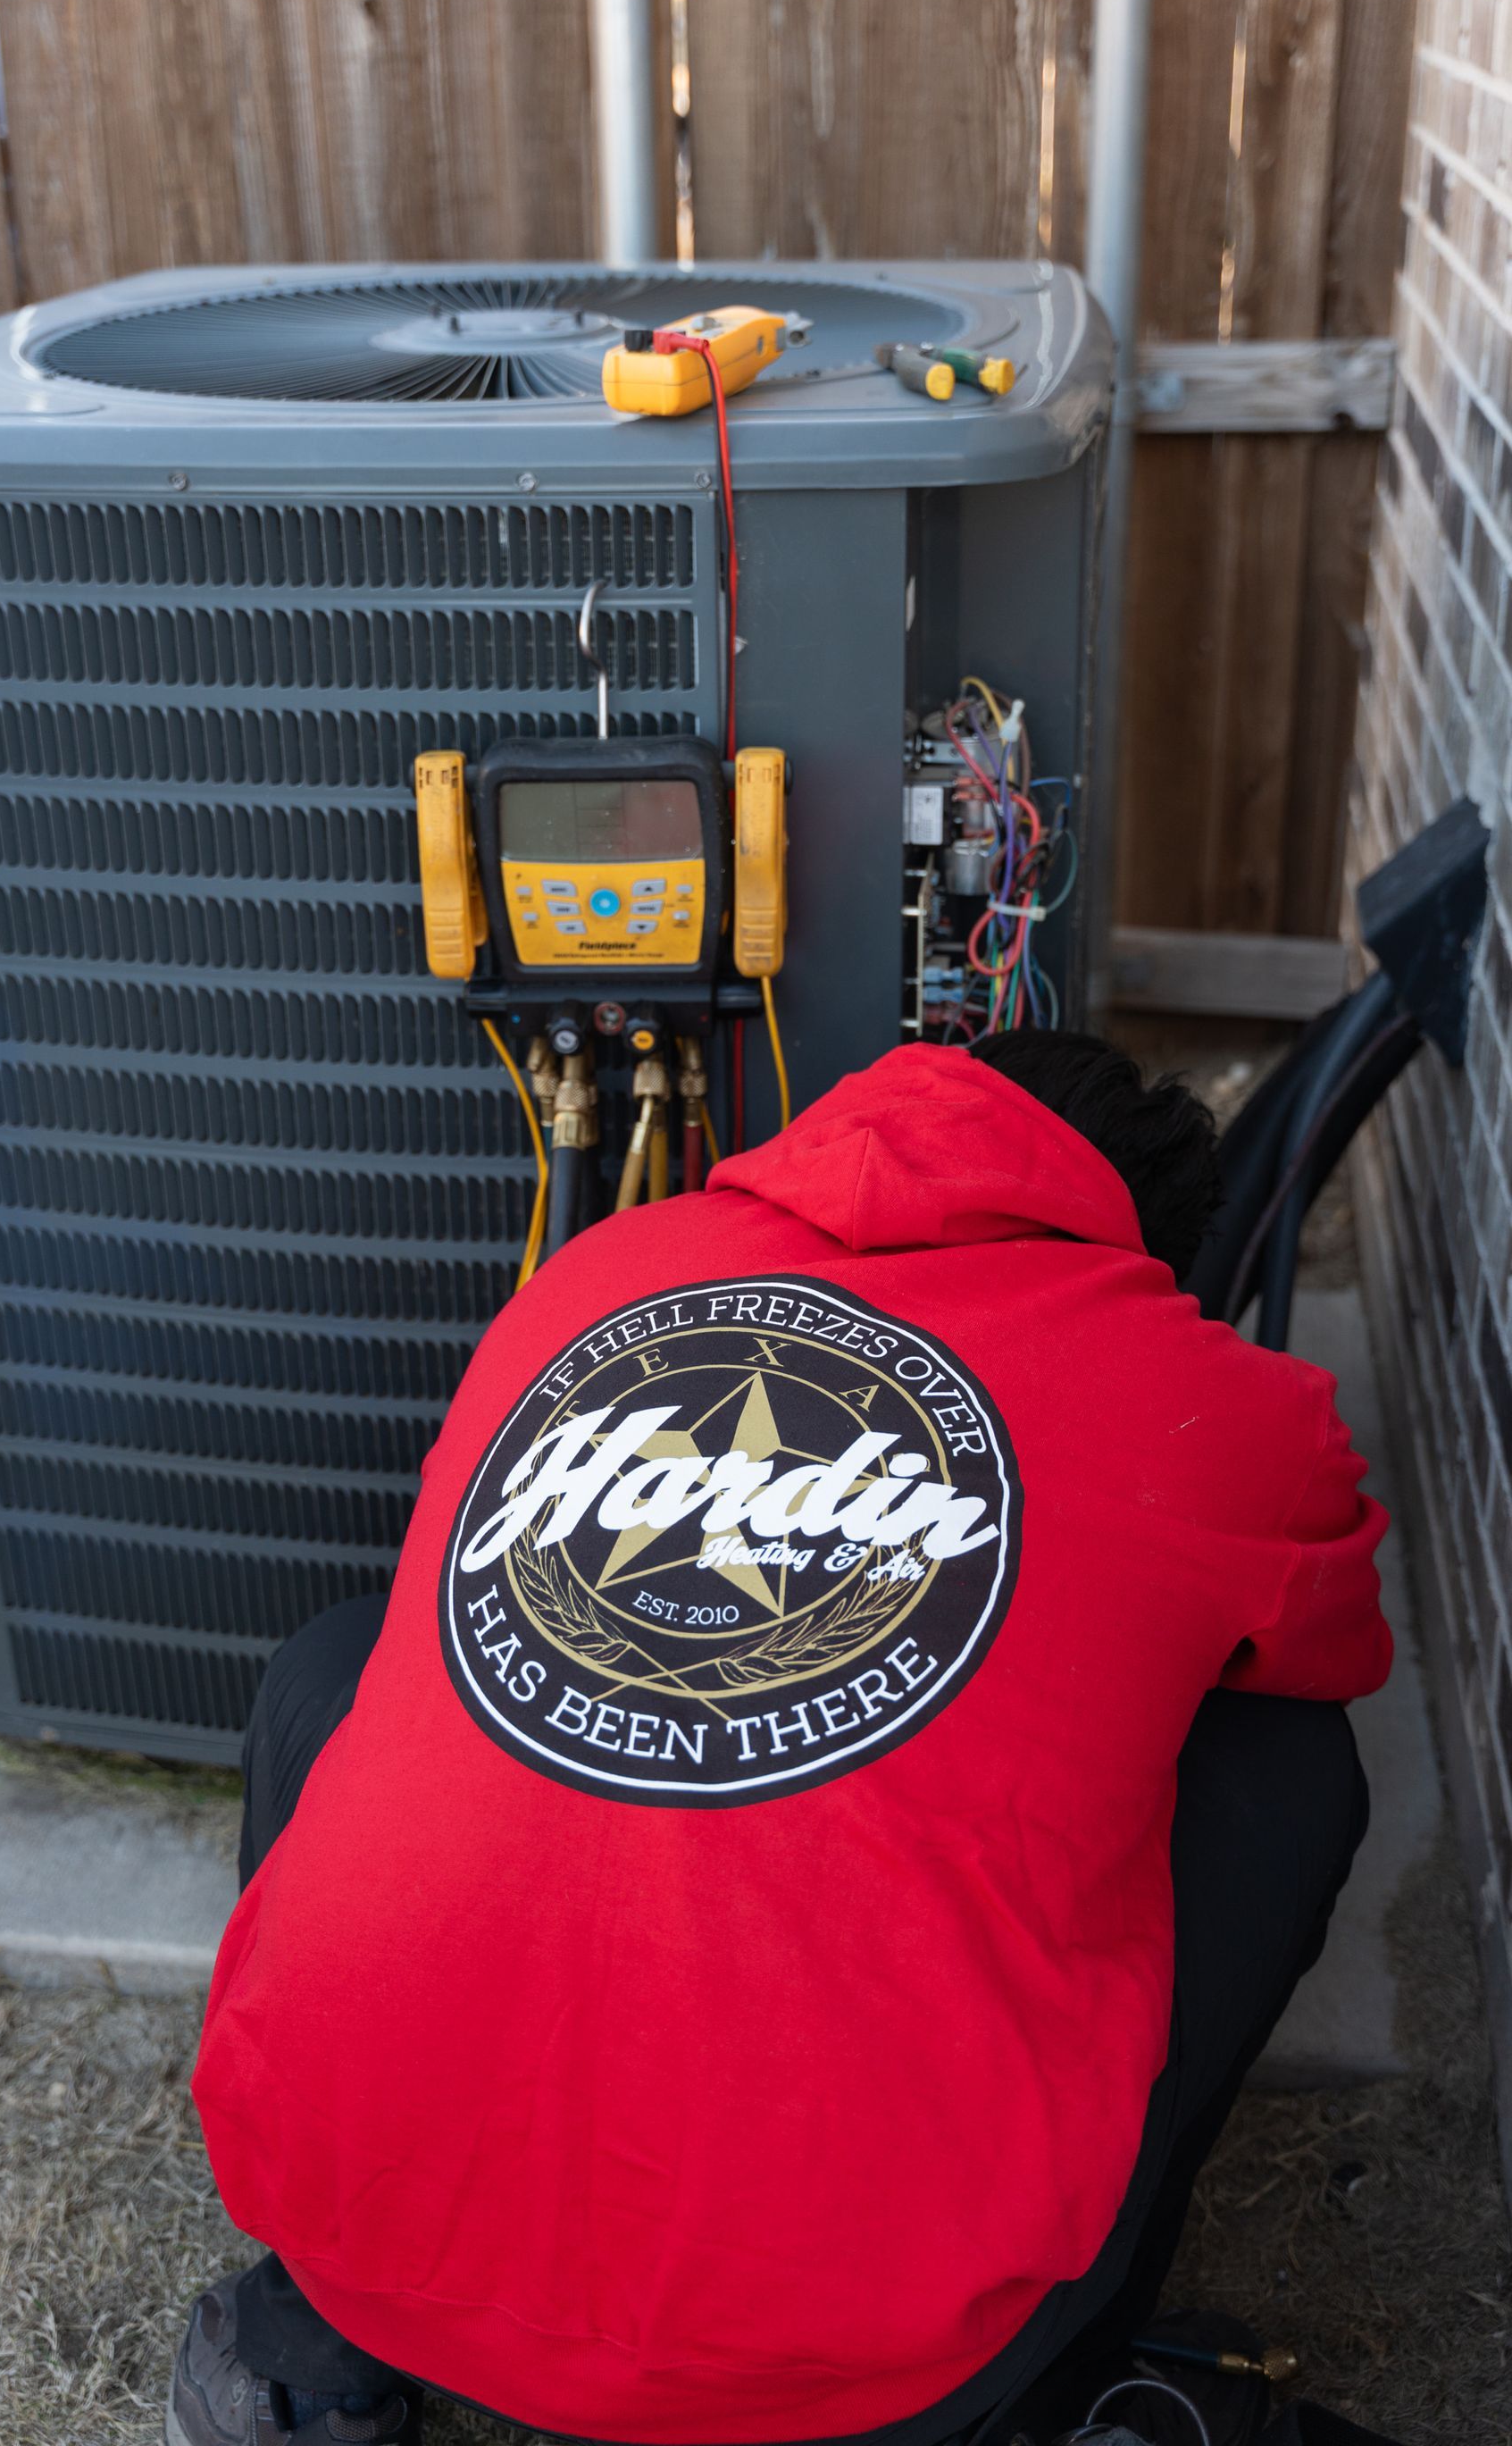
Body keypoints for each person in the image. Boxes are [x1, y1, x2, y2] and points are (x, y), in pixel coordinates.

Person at [172, 1034, 1389, 2446]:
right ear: (1148, 1236)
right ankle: (1065, 2389)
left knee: (339, 1658)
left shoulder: (599, 1269)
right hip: (877, 2370)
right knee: (1286, 1772)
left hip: (361, 2238)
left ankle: (310, 2349)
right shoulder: (1227, 1401)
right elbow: (1323, 1655)